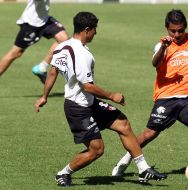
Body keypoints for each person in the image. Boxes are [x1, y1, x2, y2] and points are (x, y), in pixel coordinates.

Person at [34, 11, 166, 187]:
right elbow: (86, 86)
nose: (96, 33)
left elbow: (52, 71)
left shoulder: (61, 46)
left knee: (123, 123)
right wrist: (113, 96)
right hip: (78, 108)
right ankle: (63, 173)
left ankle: (143, 170)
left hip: (89, 102)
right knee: (96, 150)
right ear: (87, 30)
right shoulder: (82, 54)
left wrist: (44, 96)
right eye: (95, 29)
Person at [112, 9, 188, 177]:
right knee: (149, 134)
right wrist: (164, 48)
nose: (177, 34)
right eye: (173, 31)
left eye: (180, 30)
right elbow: (155, 63)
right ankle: (126, 159)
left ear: (185, 28)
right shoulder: (162, 45)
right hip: (167, 98)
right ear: (167, 28)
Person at [0, 0, 68, 83]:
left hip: (44, 20)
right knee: (15, 53)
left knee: (64, 40)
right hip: (31, 24)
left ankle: (41, 68)